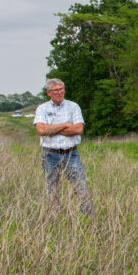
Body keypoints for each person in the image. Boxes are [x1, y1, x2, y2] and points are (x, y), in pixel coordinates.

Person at [33, 78, 94, 215]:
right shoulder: (42, 109)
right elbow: (41, 131)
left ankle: (88, 216)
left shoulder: (74, 106)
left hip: (71, 154)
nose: (60, 92)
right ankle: (54, 217)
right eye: (56, 90)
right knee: (52, 188)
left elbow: (78, 129)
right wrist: (66, 125)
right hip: (50, 154)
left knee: (81, 186)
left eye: (61, 89)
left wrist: (52, 129)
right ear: (49, 92)